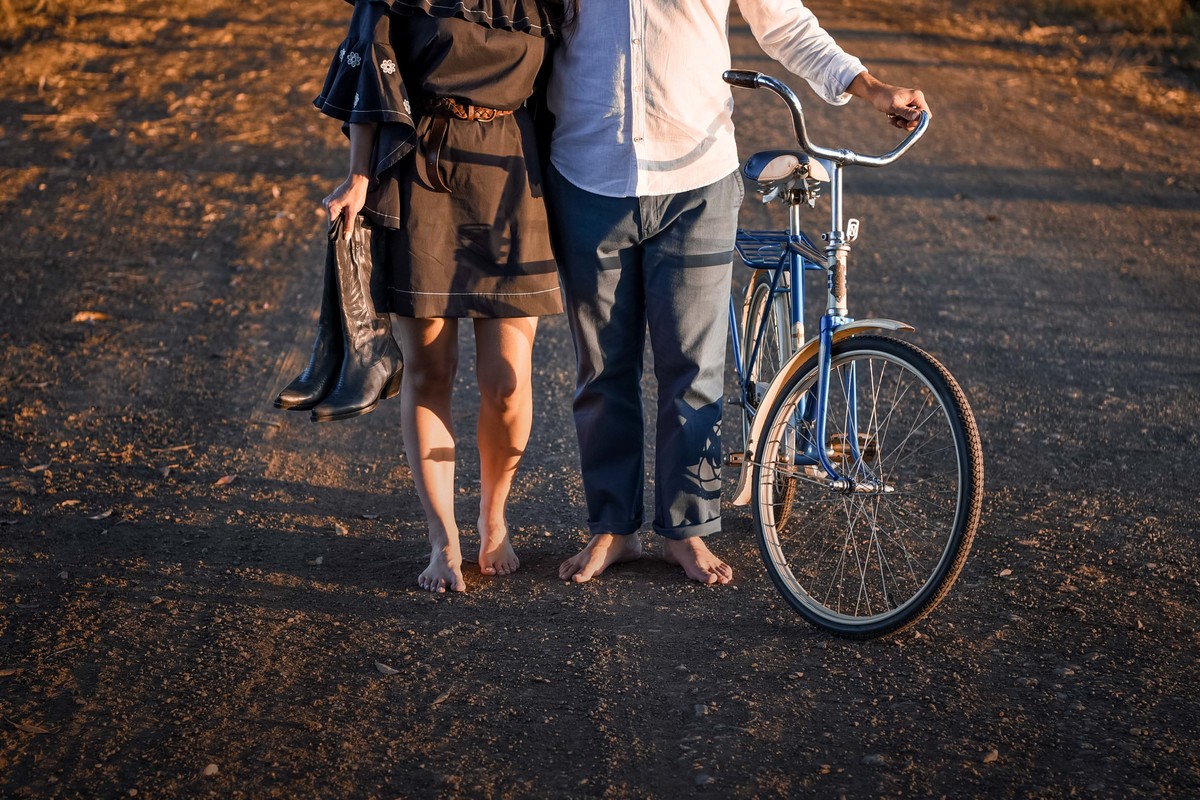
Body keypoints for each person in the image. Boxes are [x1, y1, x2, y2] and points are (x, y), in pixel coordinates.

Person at [545, 1, 931, 585]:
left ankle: (687, 530)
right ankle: (613, 527)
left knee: (694, 367)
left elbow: (787, 23)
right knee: (601, 368)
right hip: (586, 170)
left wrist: (868, 86)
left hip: (696, 179)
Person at [312, 0, 567, 592]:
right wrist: (357, 175)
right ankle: (443, 539)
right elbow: (370, 72)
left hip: (512, 170)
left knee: (507, 379)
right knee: (431, 371)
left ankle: (494, 515)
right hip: (423, 166)